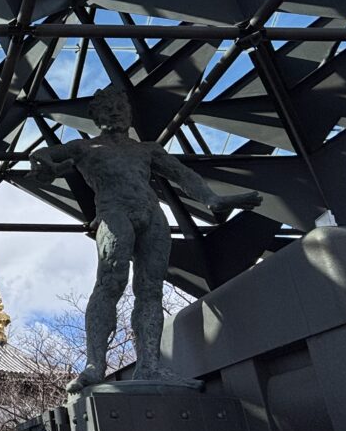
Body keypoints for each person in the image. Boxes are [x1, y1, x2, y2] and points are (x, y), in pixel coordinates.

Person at [30, 86, 261, 391]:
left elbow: (183, 175)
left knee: (151, 289)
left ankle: (150, 365)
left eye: (121, 108)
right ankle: (94, 365)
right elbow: (43, 155)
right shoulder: (83, 148)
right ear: (96, 117)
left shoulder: (147, 149)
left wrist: (211, 199)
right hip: (114, 212)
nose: (116, 114)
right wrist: (44, 164)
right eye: (109, 109)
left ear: (130, 114)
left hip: (151, 214)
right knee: (111, 281)